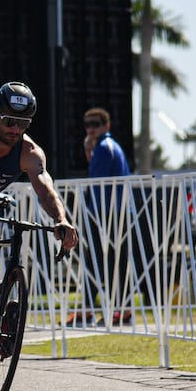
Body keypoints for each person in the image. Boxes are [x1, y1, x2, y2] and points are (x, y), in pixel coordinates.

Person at [0, 81, 79, 295]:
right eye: (10, 121)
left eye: (22, 124)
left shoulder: (29, 153)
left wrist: (61, 219)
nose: (15, 129)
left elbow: (45, 189)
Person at [79, 107, 132, 326]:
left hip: (105, 213)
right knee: (113, 262)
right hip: (116, 211)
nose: (91, 129)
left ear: (106, 126)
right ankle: (116, 308)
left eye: (95, 124)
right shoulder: (110, 147)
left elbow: (96, 185)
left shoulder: (103, 148)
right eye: (88, 124)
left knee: (98, 261)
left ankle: (93, 309)